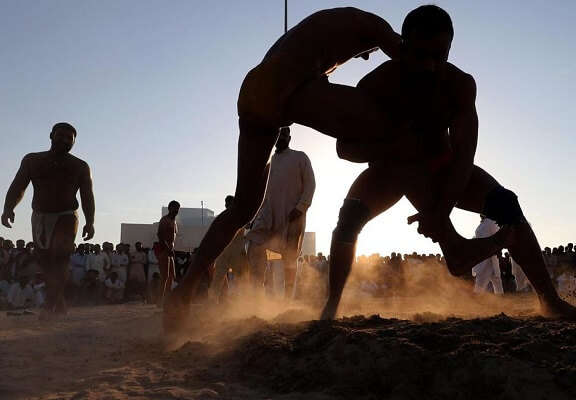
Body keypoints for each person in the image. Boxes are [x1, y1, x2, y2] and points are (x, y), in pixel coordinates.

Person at [320, 5, 576, 320]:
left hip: (443, 165)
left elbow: (464, 157)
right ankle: (331, 305)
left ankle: (550, 301)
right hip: (388, 171)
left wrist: (440, 212)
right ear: (402, 47)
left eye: (440, 56)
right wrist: (392, 143)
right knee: (349, 218)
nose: (430, 66)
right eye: (421, 55)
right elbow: (345, 149)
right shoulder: (375, 86)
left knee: (507, 204)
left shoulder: (460, 85)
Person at [165, 7, 407, 326]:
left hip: (256, 93)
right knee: (381, 122)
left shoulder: (322, 35)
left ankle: (184, 290)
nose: (366, 58)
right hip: (279, 92)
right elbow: (411, 64)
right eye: (371, 52)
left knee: (243, 208)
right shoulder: (371, 26)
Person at [1, 122, 95, 318]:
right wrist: (8, 207)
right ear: (51, 135)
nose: (65, 140)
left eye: (70, 138)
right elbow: (19, 185)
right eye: (61, 135)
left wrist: (90, 221)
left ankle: (50, 305)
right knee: (45, 260)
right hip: (40, 215)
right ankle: (59, 303)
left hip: (67, 215)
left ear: (74, 142)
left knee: (60, 258)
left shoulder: (79, 166)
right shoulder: (32, 160)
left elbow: (87, 196)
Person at [246, 126, 316, 297]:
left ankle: (287, 300)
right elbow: (260, 193)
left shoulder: (300, 157)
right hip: (267, 216)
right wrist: (254, 216)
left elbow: (310, 184)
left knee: (289, 258)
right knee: (255, 246)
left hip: (292, 216)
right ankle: (257, 295)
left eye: (285, 134)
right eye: (278, 134)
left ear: (289, 138)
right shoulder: (268, 164)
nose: (281, 137)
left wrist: (301, 208)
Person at [209, 195, 248, 302]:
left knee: (240, 279)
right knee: (218, 278)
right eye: (226, 203)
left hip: (235, 251)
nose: (227, 205)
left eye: (228, 203)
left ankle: (242, 302)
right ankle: (213, 301)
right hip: (226, 252)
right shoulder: (226, 217)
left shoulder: (240, 217)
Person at [471, 216, 503, 294]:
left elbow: (497, 236)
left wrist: (498, 250)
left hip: (489, 255)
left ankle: (501, 300)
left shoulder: (491, 222)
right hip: (483, 256)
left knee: (493, 279)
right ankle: (500, 298)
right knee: (490, 280)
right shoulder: (482, 224)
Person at [156, 201, 179, 306]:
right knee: (165, 276)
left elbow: (172, 238)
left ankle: (166, 299)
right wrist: (167, 249)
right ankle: (160, 300)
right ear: (169, 208)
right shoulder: (165, 220)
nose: (176, 210)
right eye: (174, 208)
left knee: (171, 276)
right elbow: (160, 235)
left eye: (178, 208)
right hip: (164, 251)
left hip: (170, 251)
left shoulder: (174, 221)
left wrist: (172, 249)